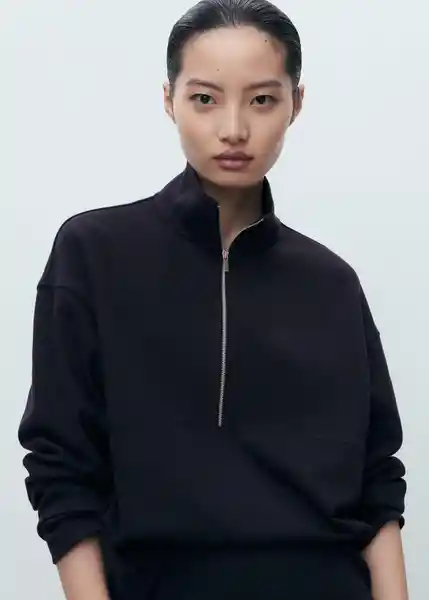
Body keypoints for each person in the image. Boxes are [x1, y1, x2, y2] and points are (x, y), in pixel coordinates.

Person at [18, 0, 408, 599]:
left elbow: (376, 482)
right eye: (205, 98)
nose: (234, 129)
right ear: (168, 99)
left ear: (296, 104)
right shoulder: (93, 253)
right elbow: (61, 467)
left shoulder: (332, 283)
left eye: (262, 100)